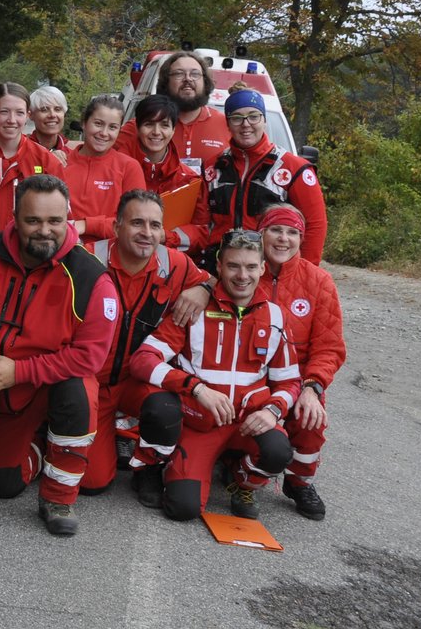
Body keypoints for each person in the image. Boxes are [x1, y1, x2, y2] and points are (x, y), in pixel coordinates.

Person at [0, 175, 116, 536]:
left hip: (50, 385)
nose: (45, 231)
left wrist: (20, 371)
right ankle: (39, 446)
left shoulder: (92, 279)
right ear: (14, 217)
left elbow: (88, 359)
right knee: (2, 485)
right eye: (33, 221)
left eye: (55, 221)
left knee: (77, 390)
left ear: (68, 217)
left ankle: (58, 498)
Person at [129, 228, 300, 520]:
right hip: (200, 424)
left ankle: (241, 480)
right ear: (219, 266)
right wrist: (196, 388)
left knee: (278, 451)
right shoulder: (193, 308)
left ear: (262, 267)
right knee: (182, 509)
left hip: (249, 423)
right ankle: (161, 466)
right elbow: (143, 361)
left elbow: (289, 381)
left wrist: (273, 411)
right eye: (233, 266)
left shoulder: (276, 316)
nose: (241, 275)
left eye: (249, 267)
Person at [77, 190, 211, 504]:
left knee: (165, 407)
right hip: (92, 382)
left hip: (137, 381)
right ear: (116, 226)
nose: (147, 233)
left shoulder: (175, 263)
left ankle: (148, 468)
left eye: (154, 225)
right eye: (137, 223)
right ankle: (67, 434)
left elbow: (215, 282)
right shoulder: (86, 259)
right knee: (93, 484)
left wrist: (203, 288)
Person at [255, 204, 344, 519]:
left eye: (292, 232)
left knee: (311, 418)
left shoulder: (319, 282)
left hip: (299, 380)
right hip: (252, 378)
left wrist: (313, 387)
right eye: (276, 230)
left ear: (301, 239)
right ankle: (239, 468)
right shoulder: (245, 269)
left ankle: (299, 481)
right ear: (262, 233)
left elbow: (329, 347)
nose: (283, 239)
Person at [207, 88, 328, 264]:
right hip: (220, 267)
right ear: (227, 124)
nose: (246, 124)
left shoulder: (294, 168)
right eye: (237, 118)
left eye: (254, 116)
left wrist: (305, 274)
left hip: (270, 270)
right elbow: (201, 225)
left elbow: (315, 225)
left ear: (264, 121)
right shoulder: (213, 167)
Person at [0, 82, 57, 236]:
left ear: (28, 115)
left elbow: (60, 220)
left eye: (19, 113)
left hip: (25, 256)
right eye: (4, 112)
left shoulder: (46, 161)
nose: (12, 120)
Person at [118, 50, 229, 174]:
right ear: (166, 82)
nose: (188, 79)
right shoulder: (140, 128)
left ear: (205, 81)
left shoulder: (226, 125)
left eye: (195, 74)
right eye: (179, 74)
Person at [130, 95, 214, 254]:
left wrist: (166, 236)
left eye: (164, 125)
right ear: (137, 127)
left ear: (173, 130)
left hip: (171, 264)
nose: (156, 132)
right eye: (149, 124)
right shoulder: (122, 171)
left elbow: (201, 233)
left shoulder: (189, 180)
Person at [61, 94, 146, 240]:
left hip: (110, 256)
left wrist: (86, 225)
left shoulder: (129, 167)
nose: (104, 133)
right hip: (63, 253)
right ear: (84, 123)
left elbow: (136, 222)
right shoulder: (61, 163)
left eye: (113, 127)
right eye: (98, 124)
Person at [27, 84, 72, 160]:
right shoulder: (21, 151)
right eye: (44, 110)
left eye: (57, 109)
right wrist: (49, 159)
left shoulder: (73, 154)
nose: (52, 115)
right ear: (31, 115)